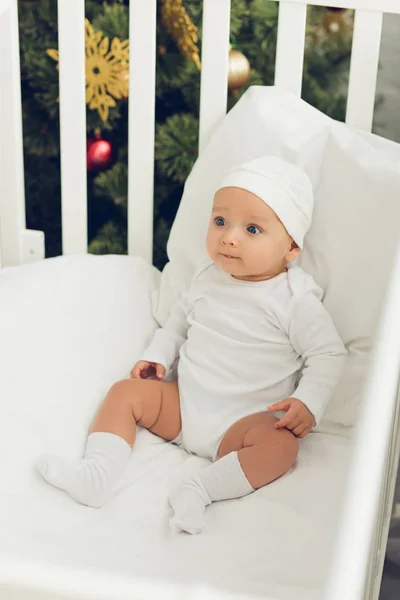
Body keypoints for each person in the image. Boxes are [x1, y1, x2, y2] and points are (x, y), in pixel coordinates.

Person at [37, 156, 346, 534]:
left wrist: (308, 402)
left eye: (252, 228)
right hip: (184, 405)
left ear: (292, 247)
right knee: (125, 393)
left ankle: (200, 489)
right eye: (220, 222)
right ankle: (97, 474)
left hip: (245, 421)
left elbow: (328, 353)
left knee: (281, 447)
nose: (229, 237)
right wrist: (157, 357)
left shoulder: (294, 299)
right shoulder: (207, 277)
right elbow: (177, 325)